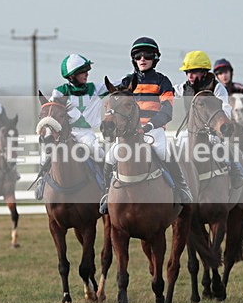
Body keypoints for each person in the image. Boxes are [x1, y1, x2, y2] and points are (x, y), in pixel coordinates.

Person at [100, 36, 193, 214]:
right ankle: (106, 194)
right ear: (134, 60)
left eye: (147, 56)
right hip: (128, 133)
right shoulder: (126, 82)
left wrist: (148, 126)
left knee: (164, 152)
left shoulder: (162, 81)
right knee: (110, 157)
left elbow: (167, 111)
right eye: (138, 56)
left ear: (155, 59)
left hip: (153, 131)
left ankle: (182, 189)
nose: (142, 59)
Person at [33, 53, 107, 200]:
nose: (87, 73)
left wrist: (131, 76)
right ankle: (42, 179)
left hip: (86, 134)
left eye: (86, 70)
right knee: (46, 152)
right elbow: (53, 112)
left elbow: (115, 84)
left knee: (99, 153)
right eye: (82, 71)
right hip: (66, 132)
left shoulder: (95, 88)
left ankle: (105, 187)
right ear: (72, 75)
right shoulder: (60, 91)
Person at [175, 51, 243, 188]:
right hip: (191, 130)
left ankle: (236, 170)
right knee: (178, 146)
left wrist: (218, 125)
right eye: (187, 72)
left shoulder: (217, 87)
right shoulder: (184, 87)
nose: (189, 75)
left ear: (203, 71)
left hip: (213, 130)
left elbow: (225, 107)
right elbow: (167, 92)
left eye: (193, 71)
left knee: (221, 146)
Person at [214, 57, 243, 175]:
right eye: (220, 73)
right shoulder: (215, 91)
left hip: (239, 126)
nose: (224, 76)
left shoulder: (239, 88)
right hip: (221, 128)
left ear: (231, 73)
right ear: (216, 76)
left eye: (226, 72)